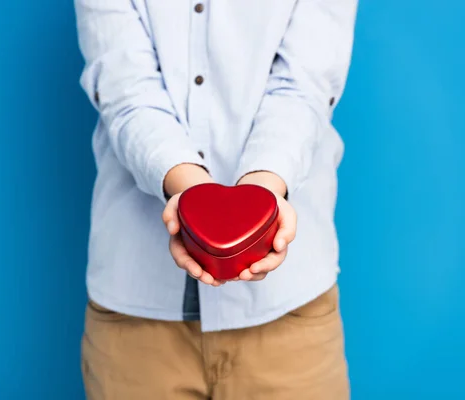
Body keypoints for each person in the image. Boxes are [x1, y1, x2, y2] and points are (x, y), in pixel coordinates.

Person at [75, 0, 357, 398]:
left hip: (288, 310)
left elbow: (304, 85)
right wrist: (190, 191)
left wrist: (264, 191)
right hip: (135, 314)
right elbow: (125, 89)